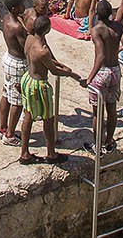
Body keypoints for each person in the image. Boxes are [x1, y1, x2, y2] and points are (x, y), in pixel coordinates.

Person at [19, 16, 80, 165]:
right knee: (48, 119)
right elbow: (53, 70)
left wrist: (60, 65)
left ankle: (24, 153)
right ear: (47, 30)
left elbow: (43, 60)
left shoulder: (29, 40)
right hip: (39, 85)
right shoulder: (43, 50)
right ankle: (51, 154)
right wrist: (70, 74)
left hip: (27, 79)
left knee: (28, 116)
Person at [87, 0, 122, 150]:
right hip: (115, 70)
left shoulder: (97, 30)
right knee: (112, 108)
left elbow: (100, 56)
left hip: (102, 72)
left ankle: (97, 145)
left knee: (97, 113)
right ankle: (109, 141)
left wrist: (90, 78)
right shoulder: (118, 27)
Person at [0, 0, 29, 144]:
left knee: (6, 94)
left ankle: (2, 128)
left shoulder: (6, 19)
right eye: (20, 5)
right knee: (17, 101)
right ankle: (10, 135)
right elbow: (26, 47)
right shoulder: (17, 27)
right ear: (14, 8)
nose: (23, 6)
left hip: (8, 59)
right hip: (18, 64)